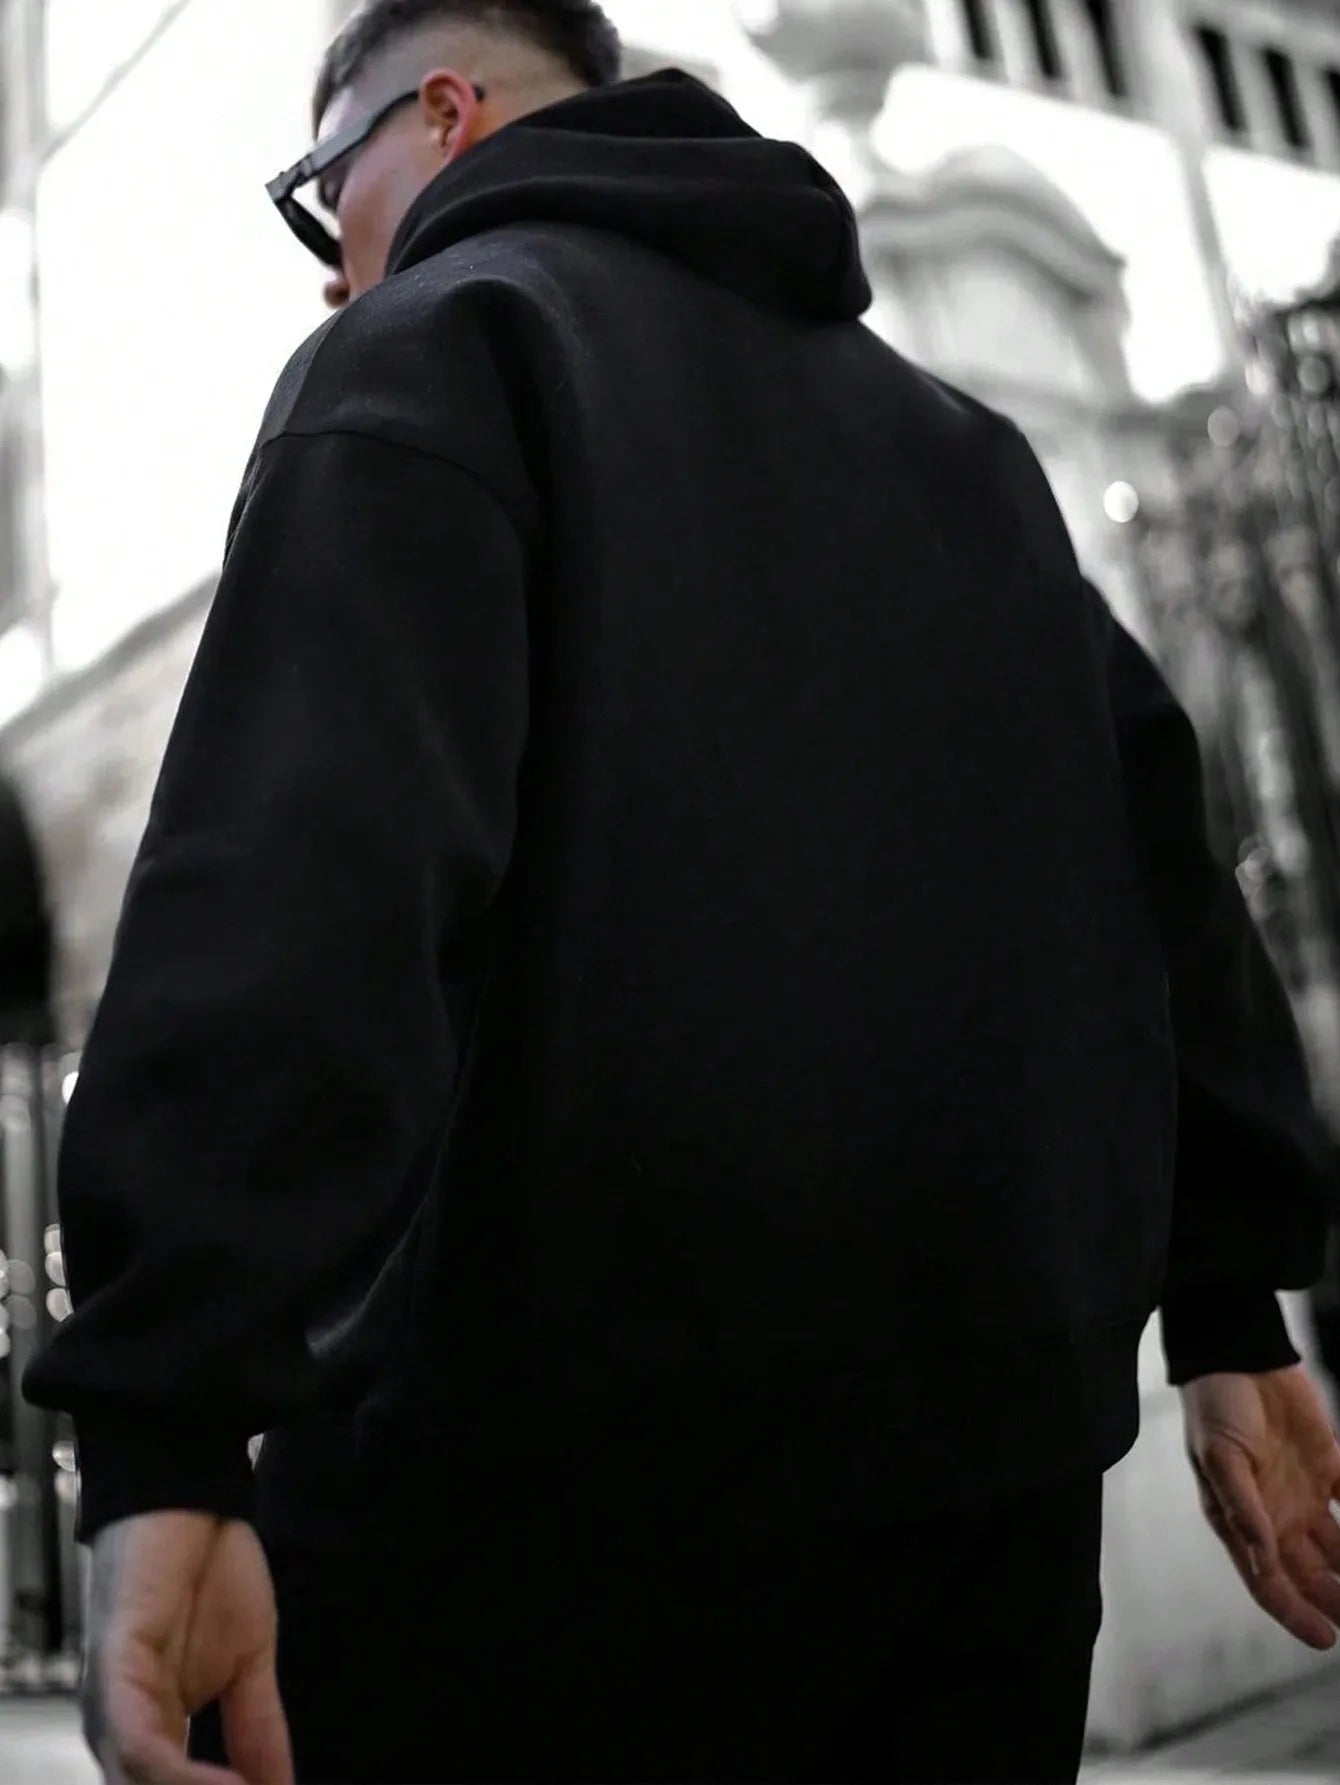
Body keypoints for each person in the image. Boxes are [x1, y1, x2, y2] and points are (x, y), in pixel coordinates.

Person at [20, 2, 1340, 1780]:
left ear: (440, 112)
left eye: (318, 192)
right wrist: (1232, 1299)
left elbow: (301, 896)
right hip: (988, 1526)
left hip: (533, 1533)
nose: (328, 265)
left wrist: (170, 1421)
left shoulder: (441, 342)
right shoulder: (967, 454)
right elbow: (1166, 879)